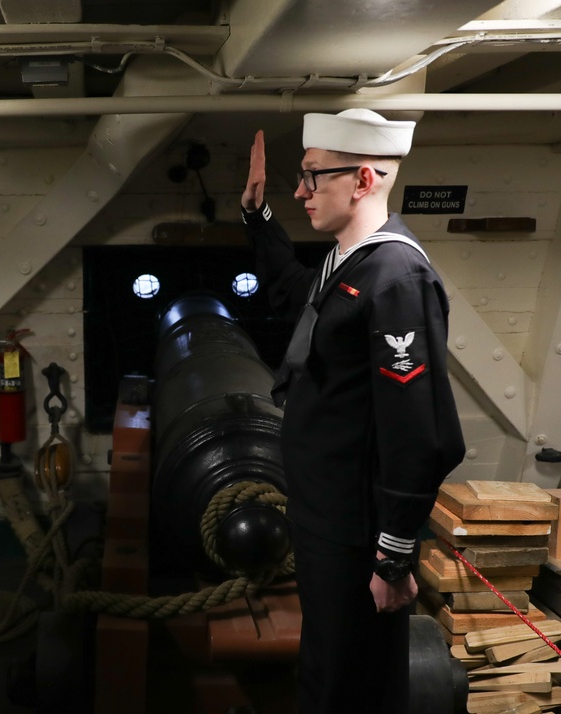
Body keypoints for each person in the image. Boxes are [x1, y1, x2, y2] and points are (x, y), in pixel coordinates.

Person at [240, 109, 465, 713]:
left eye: (313, 177)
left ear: (363, 180)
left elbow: (420, 430)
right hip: (323, 513)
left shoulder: (395, 277)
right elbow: (293, 290)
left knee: (347, 681)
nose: (300, 190)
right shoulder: (349, 260)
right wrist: (257, 216)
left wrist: (393, 554)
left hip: (355, 530)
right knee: (327, 665)